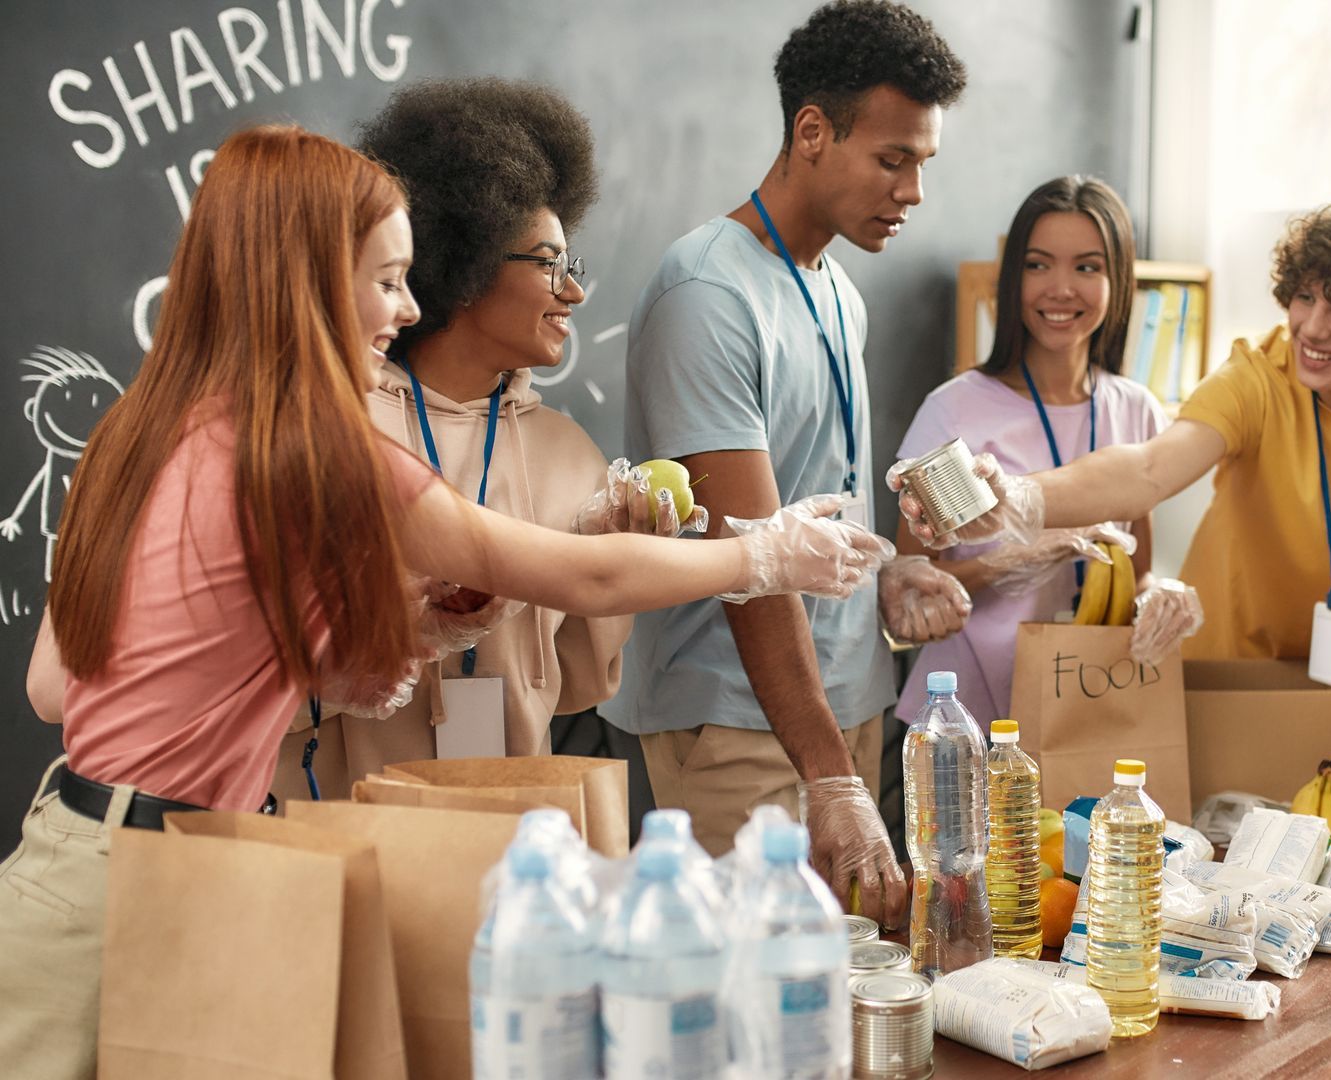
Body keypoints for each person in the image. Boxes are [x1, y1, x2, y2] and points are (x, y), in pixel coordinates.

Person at [0, 124, 887, 1079]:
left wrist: (391, 634)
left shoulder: (135, 432)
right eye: (386, 280)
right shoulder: (321, 452)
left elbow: (56, 687)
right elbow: (581, 577)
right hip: (155, 875)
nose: (407, 307)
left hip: (83, 857)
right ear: (303, 278)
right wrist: (762, 553)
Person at [622, 0, 967, 925]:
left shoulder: (837, 290)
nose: (912, 192)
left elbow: (818, 517)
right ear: (811, 132)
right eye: (891, 159)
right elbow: (757, 564)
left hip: (844, 706)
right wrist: (828, 774)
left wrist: (889, 575)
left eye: (922, 163)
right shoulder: (708, 293)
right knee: (758, 1021)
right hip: (743, 721)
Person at [269, 79, 683, 810]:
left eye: (572, 265)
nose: (574, 292)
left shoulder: (570, 451)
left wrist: (611, 562)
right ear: (465, 265)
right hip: (338, 834)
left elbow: (574, 688)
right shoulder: (331, 427)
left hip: (513, 837)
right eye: (549, 263)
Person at [899, 201, 1331, 669]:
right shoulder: (1256, 377)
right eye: (1304, 297)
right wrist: (1022, 497)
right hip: (1228, 667)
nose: (1312, 327)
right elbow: (1149, 470)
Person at [891, 175, 1171, 724]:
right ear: (1012, 278)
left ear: (1119, 282)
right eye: (1039, 265)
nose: (1061, 288)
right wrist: (1025, 554)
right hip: (965, 718)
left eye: (1087, 267)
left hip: (1091, 708)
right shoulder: (955, 411)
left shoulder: (1136, 409)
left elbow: (1138, 571)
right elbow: (912, 588)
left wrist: (1161, 597)